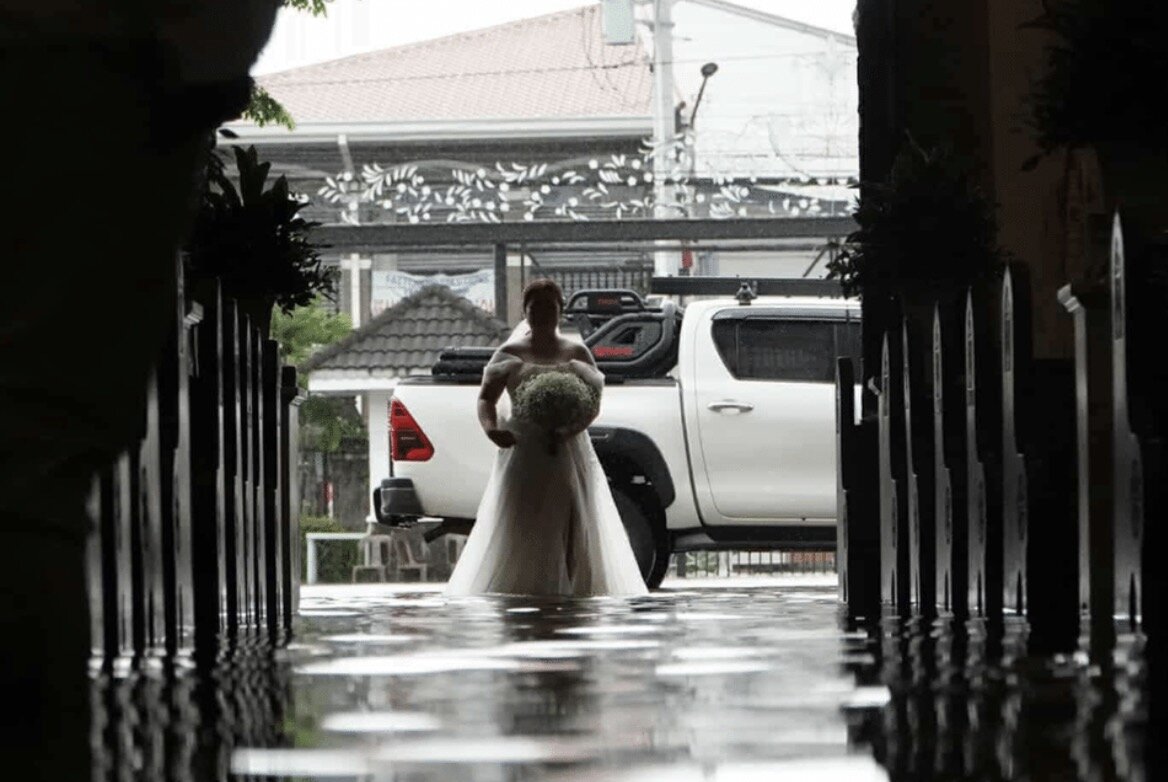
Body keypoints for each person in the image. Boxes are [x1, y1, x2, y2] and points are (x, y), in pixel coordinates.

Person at [444, 280, 649, 597]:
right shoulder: (509, 353)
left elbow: (593, 402)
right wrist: (491, 429)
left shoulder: (576, 352)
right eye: (534, 307)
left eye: (548, 307)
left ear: (560, 311)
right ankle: (523, 585)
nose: (541, 313)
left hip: (567, 449)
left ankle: (570, 583)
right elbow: (485, 399)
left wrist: (569, 428)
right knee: (521, 517)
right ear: (524, 311)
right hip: (523, 449)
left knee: (569, 516)